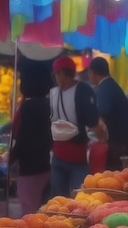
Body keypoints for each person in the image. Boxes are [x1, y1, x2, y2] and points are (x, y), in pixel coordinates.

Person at [49, 56, 103, 197]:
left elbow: (93, 123)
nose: (55, 77)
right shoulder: (55, 93)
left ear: (62, 73)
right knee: (61, 200)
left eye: (57, 73)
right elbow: (93, 123)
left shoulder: (82, 91)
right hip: (60, 156)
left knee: (77, 199)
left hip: (75, 158)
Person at [10, 60, 53, 214]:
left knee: (30, 213)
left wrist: (11, 158)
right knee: (40, 210)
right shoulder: (48, 103)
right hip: (44, 165)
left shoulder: (29, 107)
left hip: (30, 168)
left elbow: (24, 138)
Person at [87, 57, 128, 170]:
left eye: (89, 73)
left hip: (117, 145)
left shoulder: (105, 88)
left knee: (112, 179)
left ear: (92, 73)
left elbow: (103, 111)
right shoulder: (110, 85)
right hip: (123, 142)